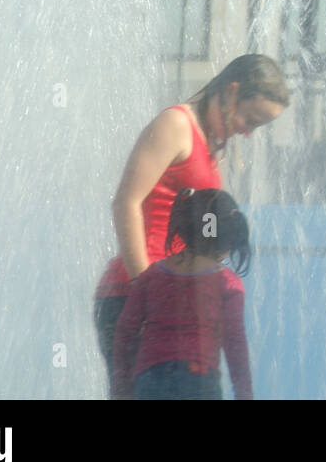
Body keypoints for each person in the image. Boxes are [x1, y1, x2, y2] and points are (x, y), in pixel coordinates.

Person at [93, 54, 289, 396]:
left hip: (171, 307)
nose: (248, 131)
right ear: (232, 91)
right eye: (251, 118)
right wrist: (148, 292)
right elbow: (126, 202)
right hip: (134, 296)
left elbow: (204, 238)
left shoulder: (212, 148)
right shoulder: (176, 125)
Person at [111, 188, 254, 399]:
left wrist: (121, 388)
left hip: (150, 379)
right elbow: (235, 343)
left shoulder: (151, 277)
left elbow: (125, 332)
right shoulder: (227, 284)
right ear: (228, 238)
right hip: (199, 378)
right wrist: (245, 394)